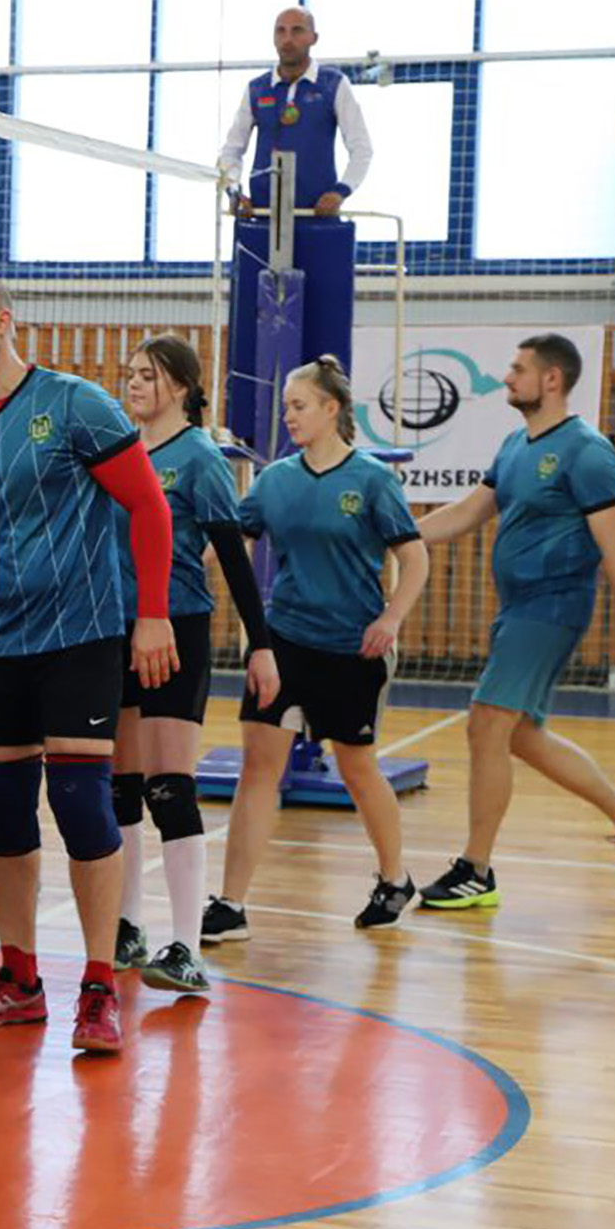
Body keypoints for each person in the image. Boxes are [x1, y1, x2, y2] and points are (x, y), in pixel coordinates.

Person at [0, 273, 177, 1054]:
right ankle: (19, 978)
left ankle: (100, 984)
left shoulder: (75, 405)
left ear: (4, 322)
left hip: (80, 635)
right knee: (3, 810)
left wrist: (152, 614)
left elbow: (148, 505)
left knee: (81, 805)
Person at [415, 334, 615, 909]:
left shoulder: (587, 451)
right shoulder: (515, 444)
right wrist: (399, 536)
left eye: (518, 369)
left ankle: (475, 870)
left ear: (552, 379)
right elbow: (470, 510)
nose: (508, 378)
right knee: (520, 735)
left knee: (487, 722)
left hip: (553, 607)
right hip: (517, 609)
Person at [204, 357, 428, 943]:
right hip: (283, 643)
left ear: (333, 409)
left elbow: (415, 558)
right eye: (286, 407)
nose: (289, 416)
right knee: (259, 767)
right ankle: (230, 904)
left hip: (351, 648)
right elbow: (232, 545)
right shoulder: (274, 480)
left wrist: (391, 618)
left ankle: (395, 878)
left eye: (299, 406)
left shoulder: (373, 480)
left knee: (357, 767)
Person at [108, 335, 280, 994]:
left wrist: (261, 645)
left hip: (175, 630)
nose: (134, 384)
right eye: (130, 374)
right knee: (119, 787)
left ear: (181, 386)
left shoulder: (199, 458)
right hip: (115, 630)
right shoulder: (120, 451)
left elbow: (233, 556)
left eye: (147, 375)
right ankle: (128, 924)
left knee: (169, 786)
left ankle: (186, 947)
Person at [219, 6, 374, 426]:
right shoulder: (257, 89)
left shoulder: (333, 85)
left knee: (323, 328)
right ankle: (249, 427)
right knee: (253, 329)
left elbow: (362, 148)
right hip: (262, 226)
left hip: (316, 225)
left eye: (297, 30)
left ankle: (332, 425)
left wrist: (341, 191)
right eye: (281, 31)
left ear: (313, 38)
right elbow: (231, 150)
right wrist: (234, 190)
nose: (288, 38)